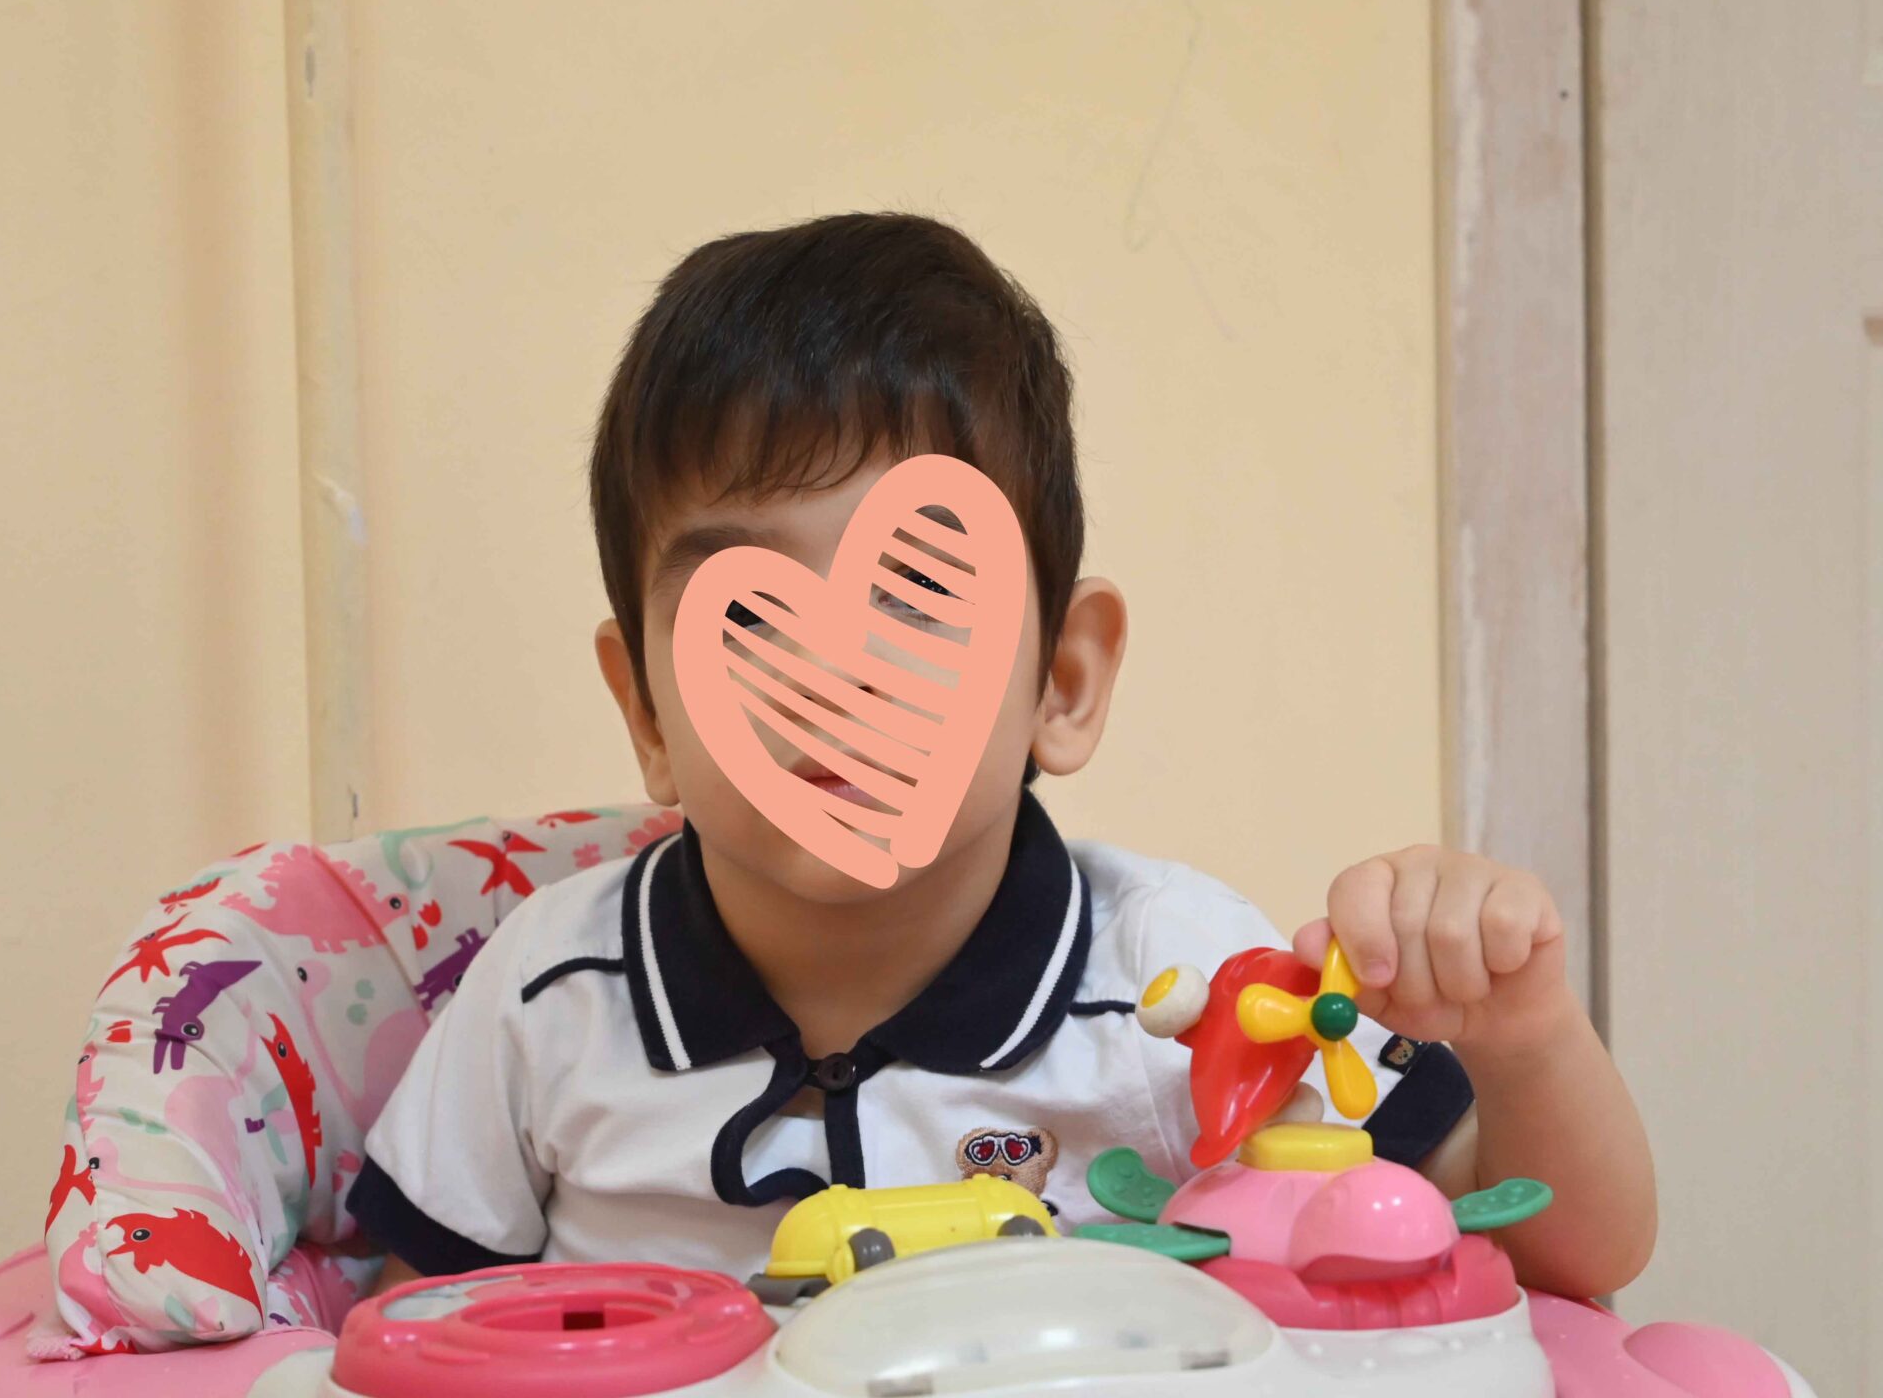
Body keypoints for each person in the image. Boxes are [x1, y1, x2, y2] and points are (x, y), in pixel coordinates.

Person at [349, 212, 1654, 1300]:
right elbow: (412, 1339)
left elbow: (1561, 1263)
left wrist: (1525, 1041)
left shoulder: (1180, 986)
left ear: (1063, 683)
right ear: (647, 713)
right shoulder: (548, 995)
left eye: (916, 593)